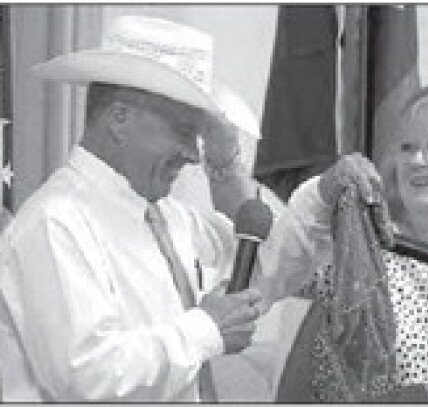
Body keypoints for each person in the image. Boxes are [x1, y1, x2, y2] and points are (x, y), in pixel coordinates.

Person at [0, 16, 263, 402]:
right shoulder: (55, 224)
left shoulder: (172, 217)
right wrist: (206, 329)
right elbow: (86, 376)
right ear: (119, 118)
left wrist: (226, 162)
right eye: (183, 131)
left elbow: (260, 257)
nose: (193, 154)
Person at [255, 82, 428, 400]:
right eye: (407, 148)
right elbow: (265, 271)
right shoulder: (360, 255)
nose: (417, 160)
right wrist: (225, 168)